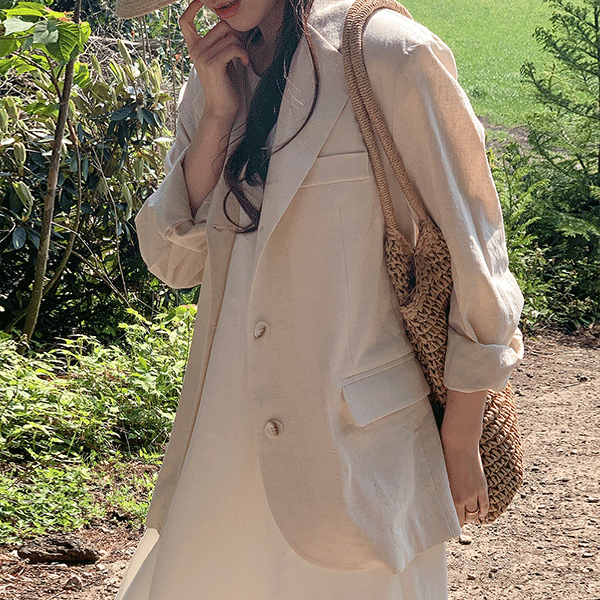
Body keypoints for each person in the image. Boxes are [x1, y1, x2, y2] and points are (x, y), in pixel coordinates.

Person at [113, 0, 524, 598]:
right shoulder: (216, 77)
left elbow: (476, 258)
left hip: (358, 450)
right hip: (227, 433)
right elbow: (173, 260)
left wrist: (461, 436)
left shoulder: (388, 53)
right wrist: (218, 116)